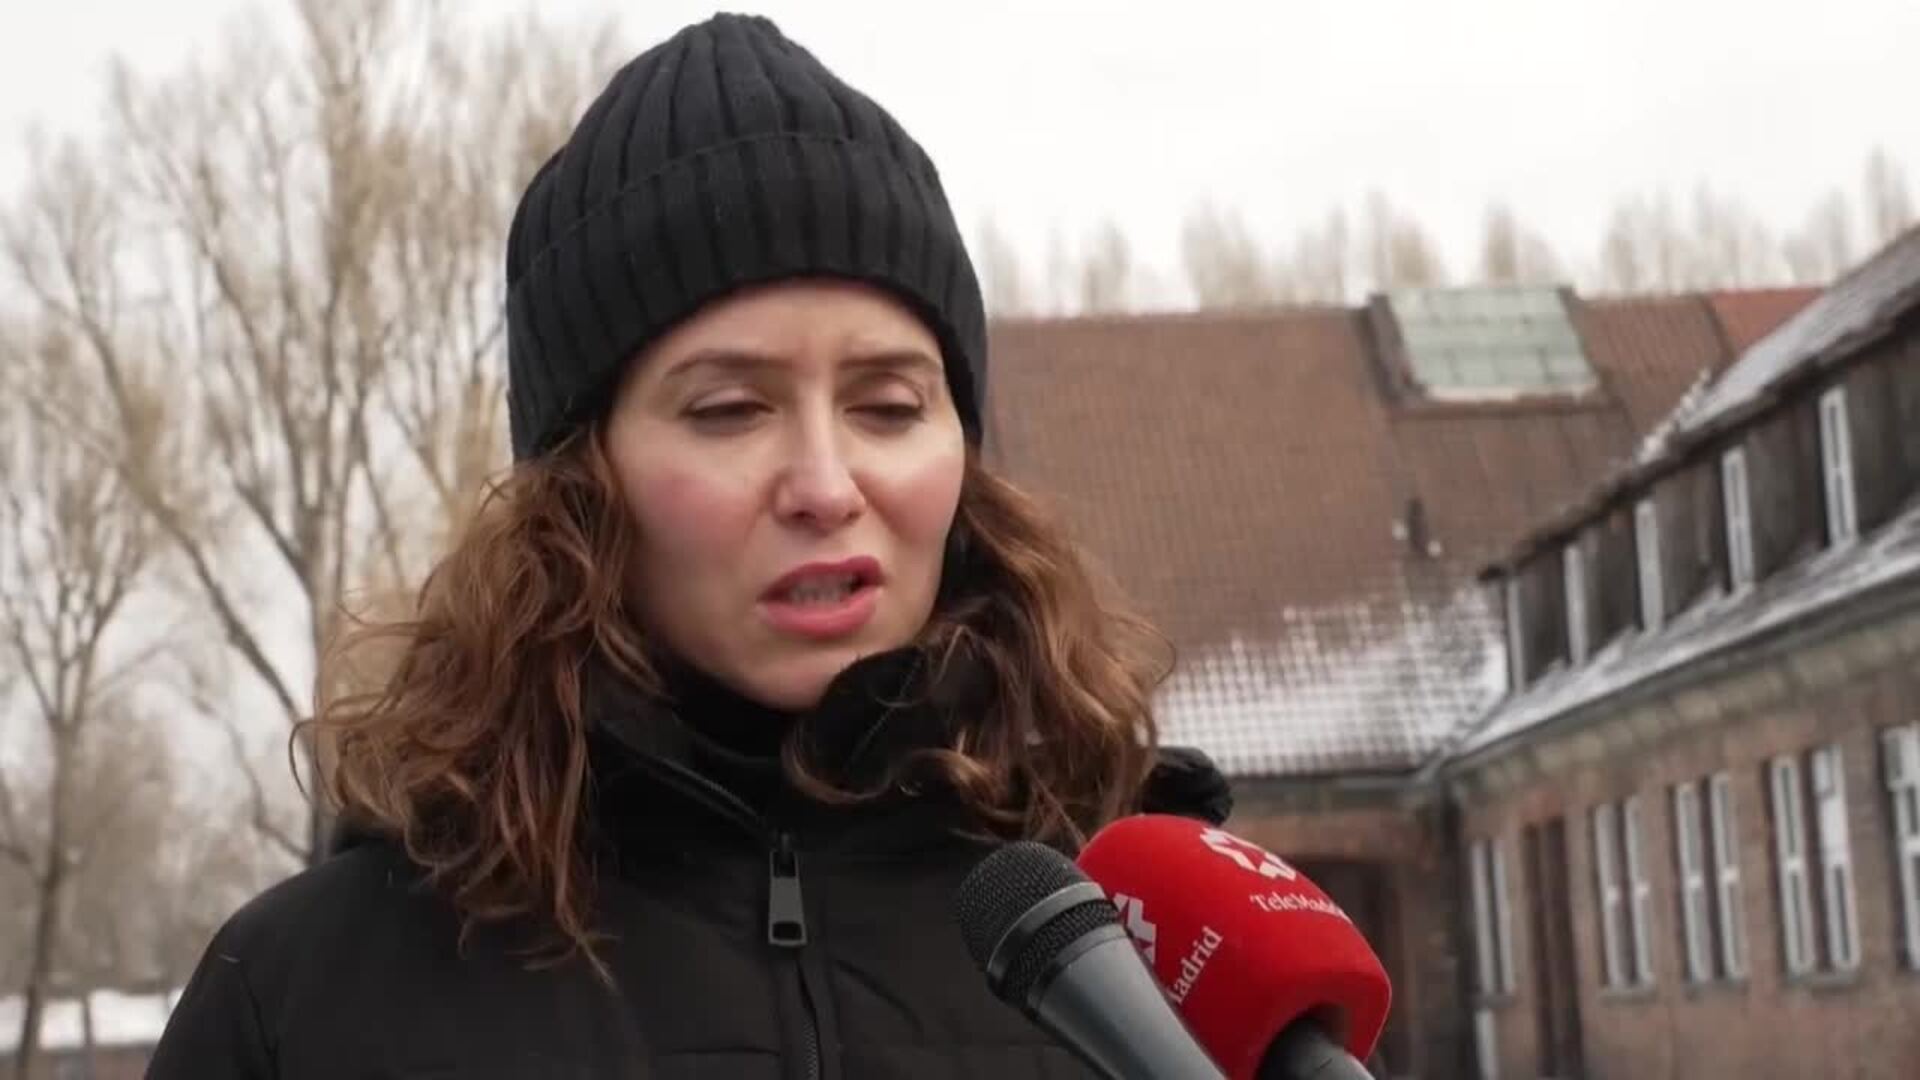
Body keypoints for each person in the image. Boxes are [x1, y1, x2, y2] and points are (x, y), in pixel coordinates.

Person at [148, 13, 1230, 1079]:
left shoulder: (1164, 954)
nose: (824, 485)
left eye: (889, 406)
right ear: (580, 482)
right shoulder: (305, 1000)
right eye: (728, 411)